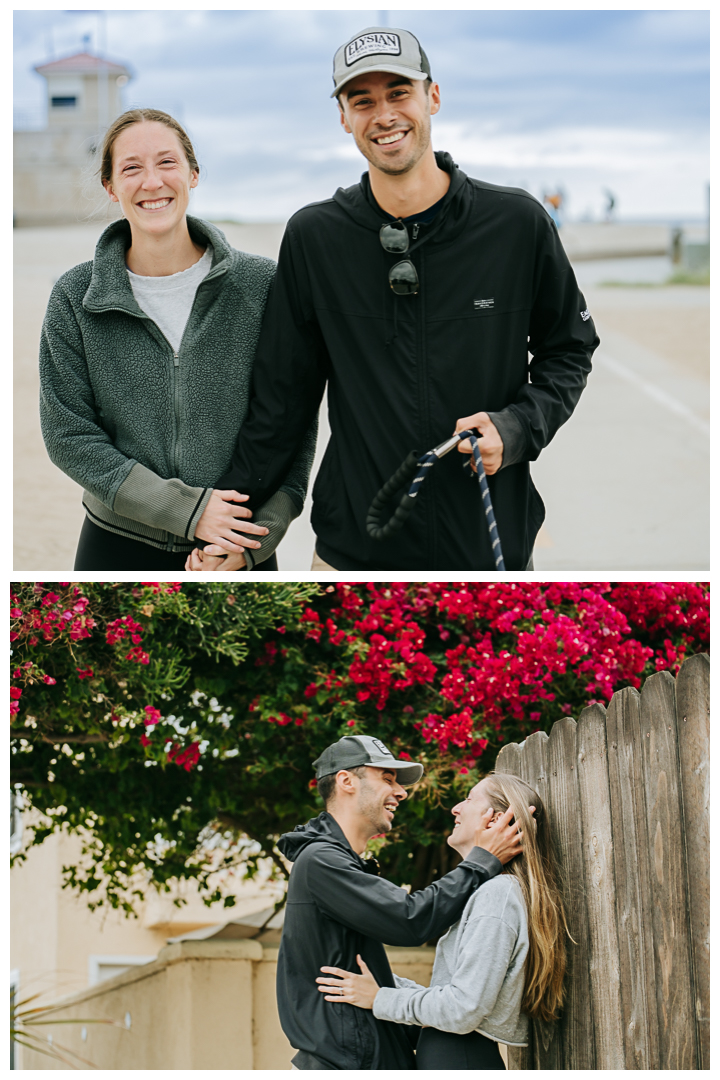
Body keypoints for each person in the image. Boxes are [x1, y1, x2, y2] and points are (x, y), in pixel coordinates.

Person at [187, 25, 599, 573]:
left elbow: (569, 349)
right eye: (363, 101)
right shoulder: (315, 237)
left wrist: (518, 426)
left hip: (487, 543)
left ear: (432, 96)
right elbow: (280, 405)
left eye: (399, 93)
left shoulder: (517, 224)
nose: (383, 115)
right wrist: (232, 530)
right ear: (344, 118)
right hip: (351, 551)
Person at [39, 107, 315, 570]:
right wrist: (187, 511)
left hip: (235, 542)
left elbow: (295, 424)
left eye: (167, 162)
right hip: (115, 541)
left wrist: (251, 542)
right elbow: (67, 434)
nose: (152, 182)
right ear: (110, 186)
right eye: (131, 168)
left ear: (193, 173)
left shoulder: (264, 285)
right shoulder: (74, 295)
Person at [276, 735, 529, 1070]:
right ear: (346, 781)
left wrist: (390, 996)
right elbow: (409, 921)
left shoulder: (340, 862)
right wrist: (481, 861)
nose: (401, 792)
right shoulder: (323, 861)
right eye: (387, 778)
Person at [316, 772, 570, 1070]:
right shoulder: (488, 893)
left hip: (458, 1057)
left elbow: (464, 1008)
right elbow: (452, 996)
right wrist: (383, 983)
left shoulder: (497, 895)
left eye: (469, 799)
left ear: (494, 820)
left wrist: (380, 998)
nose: (456, 808)